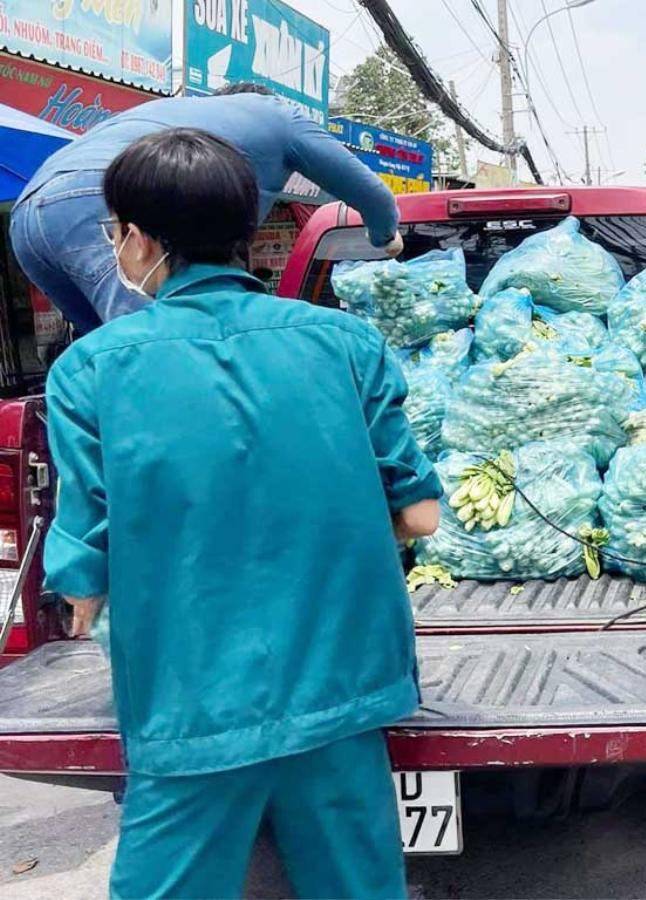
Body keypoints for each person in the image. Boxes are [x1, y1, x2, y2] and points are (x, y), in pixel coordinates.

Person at [43, 128, 440, 898]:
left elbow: (83, 585)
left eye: (114, 232)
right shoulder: (348, 343)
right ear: (247, 231)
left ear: (138, 238)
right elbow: (419, 516)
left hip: (191, 709)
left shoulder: (91, 369)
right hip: (344, 692)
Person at [11, 83, 402, 335]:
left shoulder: (180, 111)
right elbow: (372, 194)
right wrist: (385, 238)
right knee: (156, 354)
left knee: (105, 358)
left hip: (26, 215)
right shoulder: (279, 116)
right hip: (97, 199)